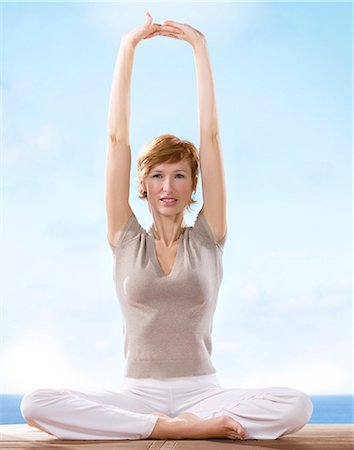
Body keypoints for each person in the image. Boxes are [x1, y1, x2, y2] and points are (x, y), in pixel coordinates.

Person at [20, 12, 313, 441]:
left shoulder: (209, 235)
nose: (168, 186)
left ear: (194, 183)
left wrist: (199, 47)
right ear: (143, 184)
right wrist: (127, 48)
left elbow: (210, 136)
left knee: (297, 404)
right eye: (157, 175)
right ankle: (170, 428)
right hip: (136, 393)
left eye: (179, 175)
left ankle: (174, 426)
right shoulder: (124, 237)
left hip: (204, 393)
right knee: (35, 403)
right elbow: (116, 138)